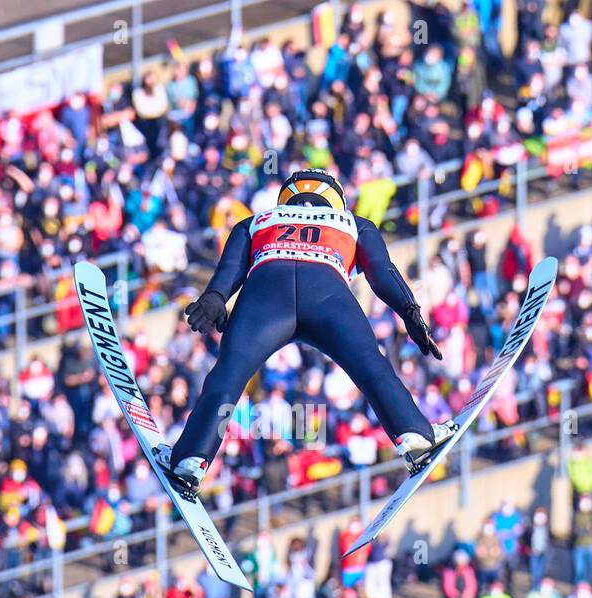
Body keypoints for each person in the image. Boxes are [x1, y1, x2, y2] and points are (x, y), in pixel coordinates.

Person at [159, 168, 453, 490]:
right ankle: (413, 434)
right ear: (336, 199)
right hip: (327, 295)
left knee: (227, 376)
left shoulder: (257, 221)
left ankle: (190, 459)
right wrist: (409, 311)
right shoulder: (354, 224)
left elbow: (230, 267)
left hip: (265, 297)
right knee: (372, 366)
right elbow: (383, 273)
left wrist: (215, 296)